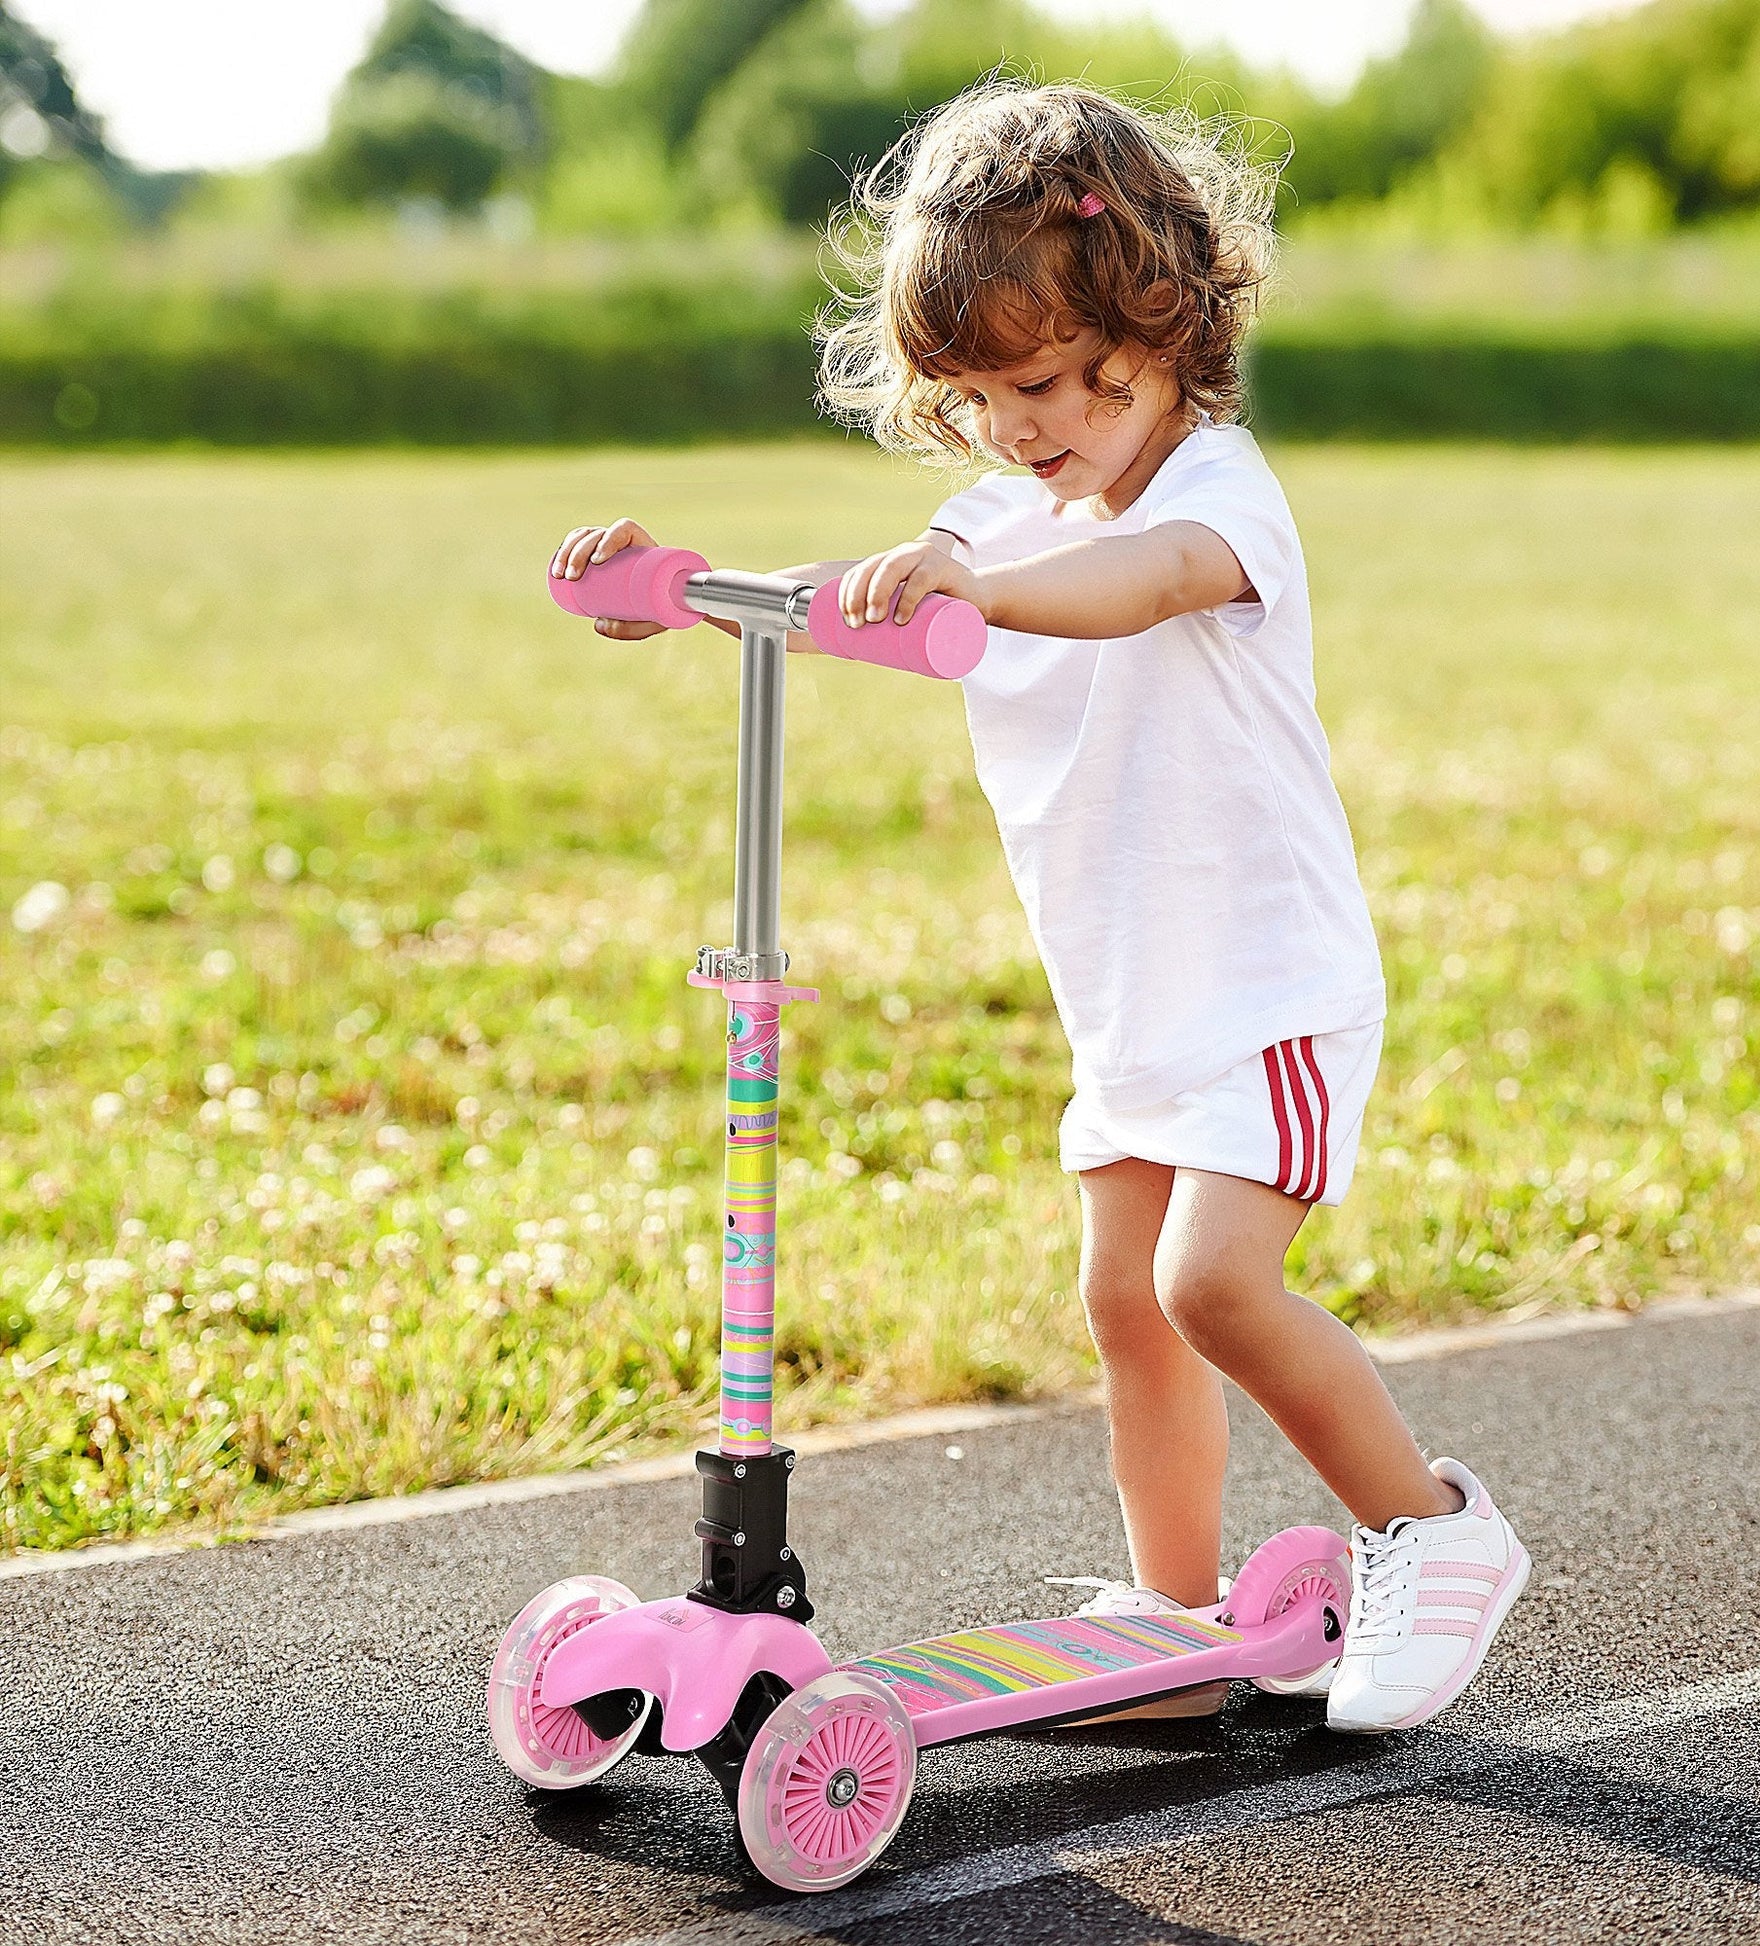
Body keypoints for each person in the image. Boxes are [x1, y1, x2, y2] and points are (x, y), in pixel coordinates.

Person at [550, 80, 1528, 1735]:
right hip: (1130, 1005)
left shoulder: (1214, 494)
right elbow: (866, 603)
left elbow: (1135, 586)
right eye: (987, 395)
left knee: (1211, 1285)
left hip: (1266, 994)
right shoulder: (997, 517)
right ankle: (1173, 1613)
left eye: (1066, 381)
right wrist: (695, 593)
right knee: (1124, 1307)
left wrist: (983, 587)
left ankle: (1432, 1529)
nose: (1024, 426)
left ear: (1166, 332)